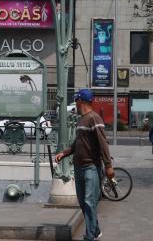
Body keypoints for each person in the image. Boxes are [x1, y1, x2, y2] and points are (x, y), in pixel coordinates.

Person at [55, 89, 114, 241]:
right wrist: (65, 153)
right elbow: (78, 143)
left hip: (91, 167)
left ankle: (89, 237)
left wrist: (108, 165)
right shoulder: (81, 120)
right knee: (83, 203)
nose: (75, 102)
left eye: (76, 100)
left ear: (81, 101)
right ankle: (96, 230)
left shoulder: (95, 118)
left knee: (89, 201)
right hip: (79, 167)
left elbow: (103, 144)